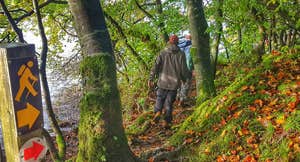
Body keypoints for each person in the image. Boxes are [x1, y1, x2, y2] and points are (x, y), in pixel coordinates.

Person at [148, 34, 191, 129]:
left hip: (162, 81)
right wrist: (184, 79)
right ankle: (166, 122)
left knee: (159, 99)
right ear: (178, 42)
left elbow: (156, 66)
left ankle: (158, 111)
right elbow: (183, 69)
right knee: (169, 103)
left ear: (169, 42)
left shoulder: (162, 52)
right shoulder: (181, 54)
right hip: (174, 84)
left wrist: (151, 78)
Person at [177, 34, 194, 107]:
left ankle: (177, 97)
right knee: (186, 83)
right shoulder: (190, 45)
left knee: (179, 83)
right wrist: (191, 69)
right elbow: (189, 59)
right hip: (185, 68)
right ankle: (182, 100)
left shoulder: (178, 46)